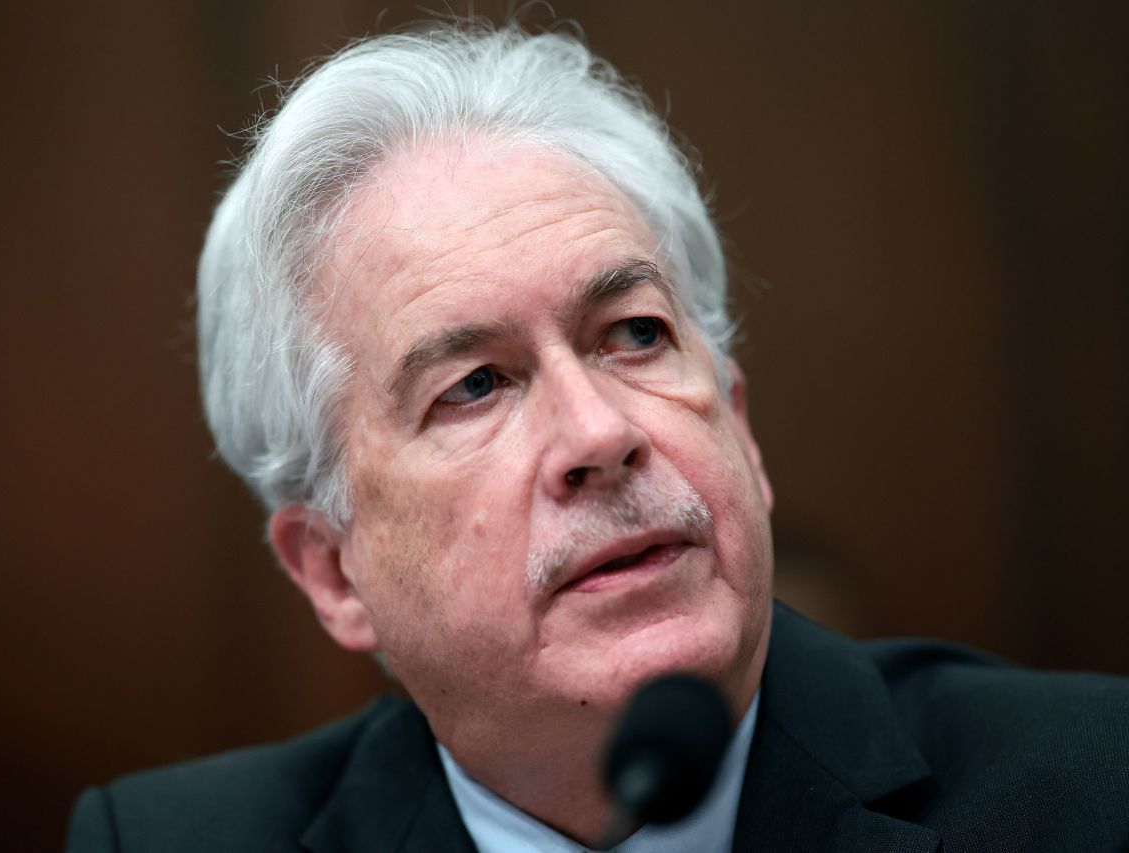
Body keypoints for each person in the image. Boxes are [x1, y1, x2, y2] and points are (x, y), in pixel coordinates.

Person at [67, 21, 1128, 853]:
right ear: (333, 569)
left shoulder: (1094, 791)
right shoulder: (165, 841)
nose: (600, 431)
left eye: (632, 335)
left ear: (740, 431)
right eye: (474, 385)